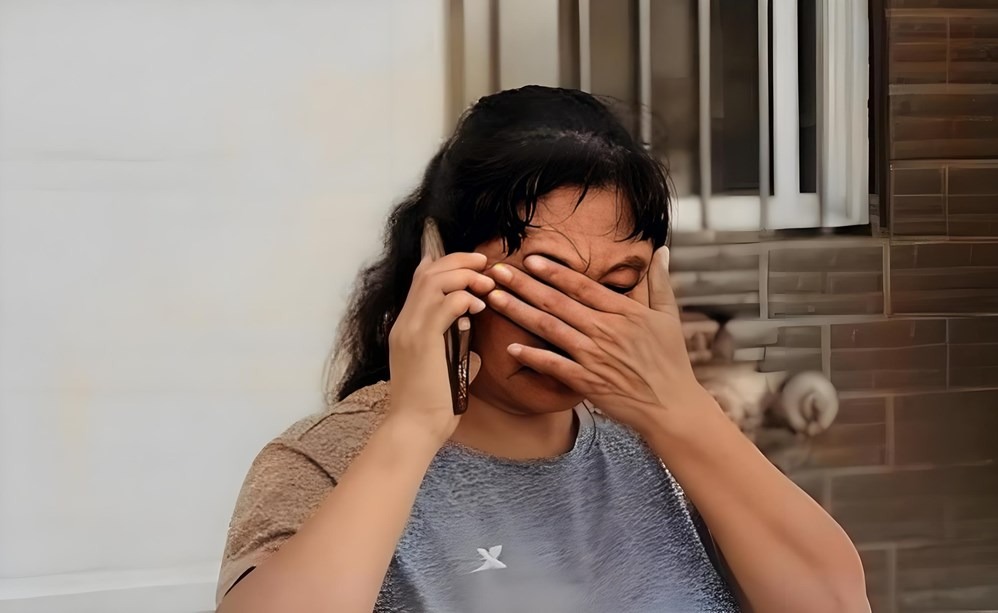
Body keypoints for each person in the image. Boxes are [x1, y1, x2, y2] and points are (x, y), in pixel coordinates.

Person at [215, 86, 869, 613]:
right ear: (440, 265)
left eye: (617, 285)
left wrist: (681, 412)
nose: (572, 323)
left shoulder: (669, 447)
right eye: (541, 283)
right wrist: (411, 429)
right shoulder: (326, 461)